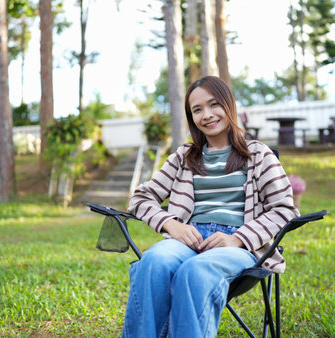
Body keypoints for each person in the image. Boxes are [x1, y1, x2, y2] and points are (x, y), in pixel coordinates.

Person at [123, 76, 299, 337]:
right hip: (187, 240)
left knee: (196, 271)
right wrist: (172, 225)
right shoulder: (183, 157)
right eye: (197, 109)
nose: (206, 115)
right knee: (154, 261)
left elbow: (285, 209)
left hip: (237, 245)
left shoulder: (258, 154)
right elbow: (139, 198)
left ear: (228, 104)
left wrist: (238, 239)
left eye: (213, 104)